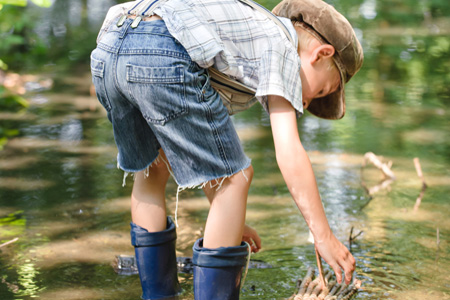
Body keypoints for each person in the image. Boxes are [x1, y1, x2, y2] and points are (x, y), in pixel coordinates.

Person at [90, 0, 363, 299]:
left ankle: (158, 295)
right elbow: (289, 152)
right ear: (320, 54)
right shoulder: (284, 44)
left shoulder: (248, 34)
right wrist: (323, 236)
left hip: (111, 47)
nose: (308, 103)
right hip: (164, 48)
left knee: (153, 168)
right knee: (238, 178)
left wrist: (231, 218)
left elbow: (212, 164)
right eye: (322, 90)